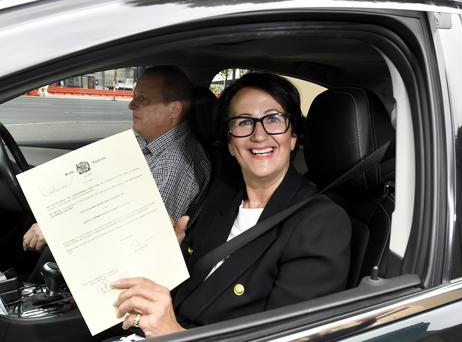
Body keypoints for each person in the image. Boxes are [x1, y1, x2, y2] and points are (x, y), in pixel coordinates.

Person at [111, 73, 351, 338]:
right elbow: (193, 285)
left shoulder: (321, 223)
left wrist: (172, 332)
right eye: (244, 122)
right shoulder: (223, 193)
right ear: (230, 142)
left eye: (273, 119)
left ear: (293, 135)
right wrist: (175, 252)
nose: (259, 135)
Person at [22, 65, 211, 252]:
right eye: (134, 96)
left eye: (142, 99)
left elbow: (133, 237)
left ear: (173, 110)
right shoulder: (148, 142)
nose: (131, 105)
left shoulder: (176, 164)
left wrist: (60, 229)